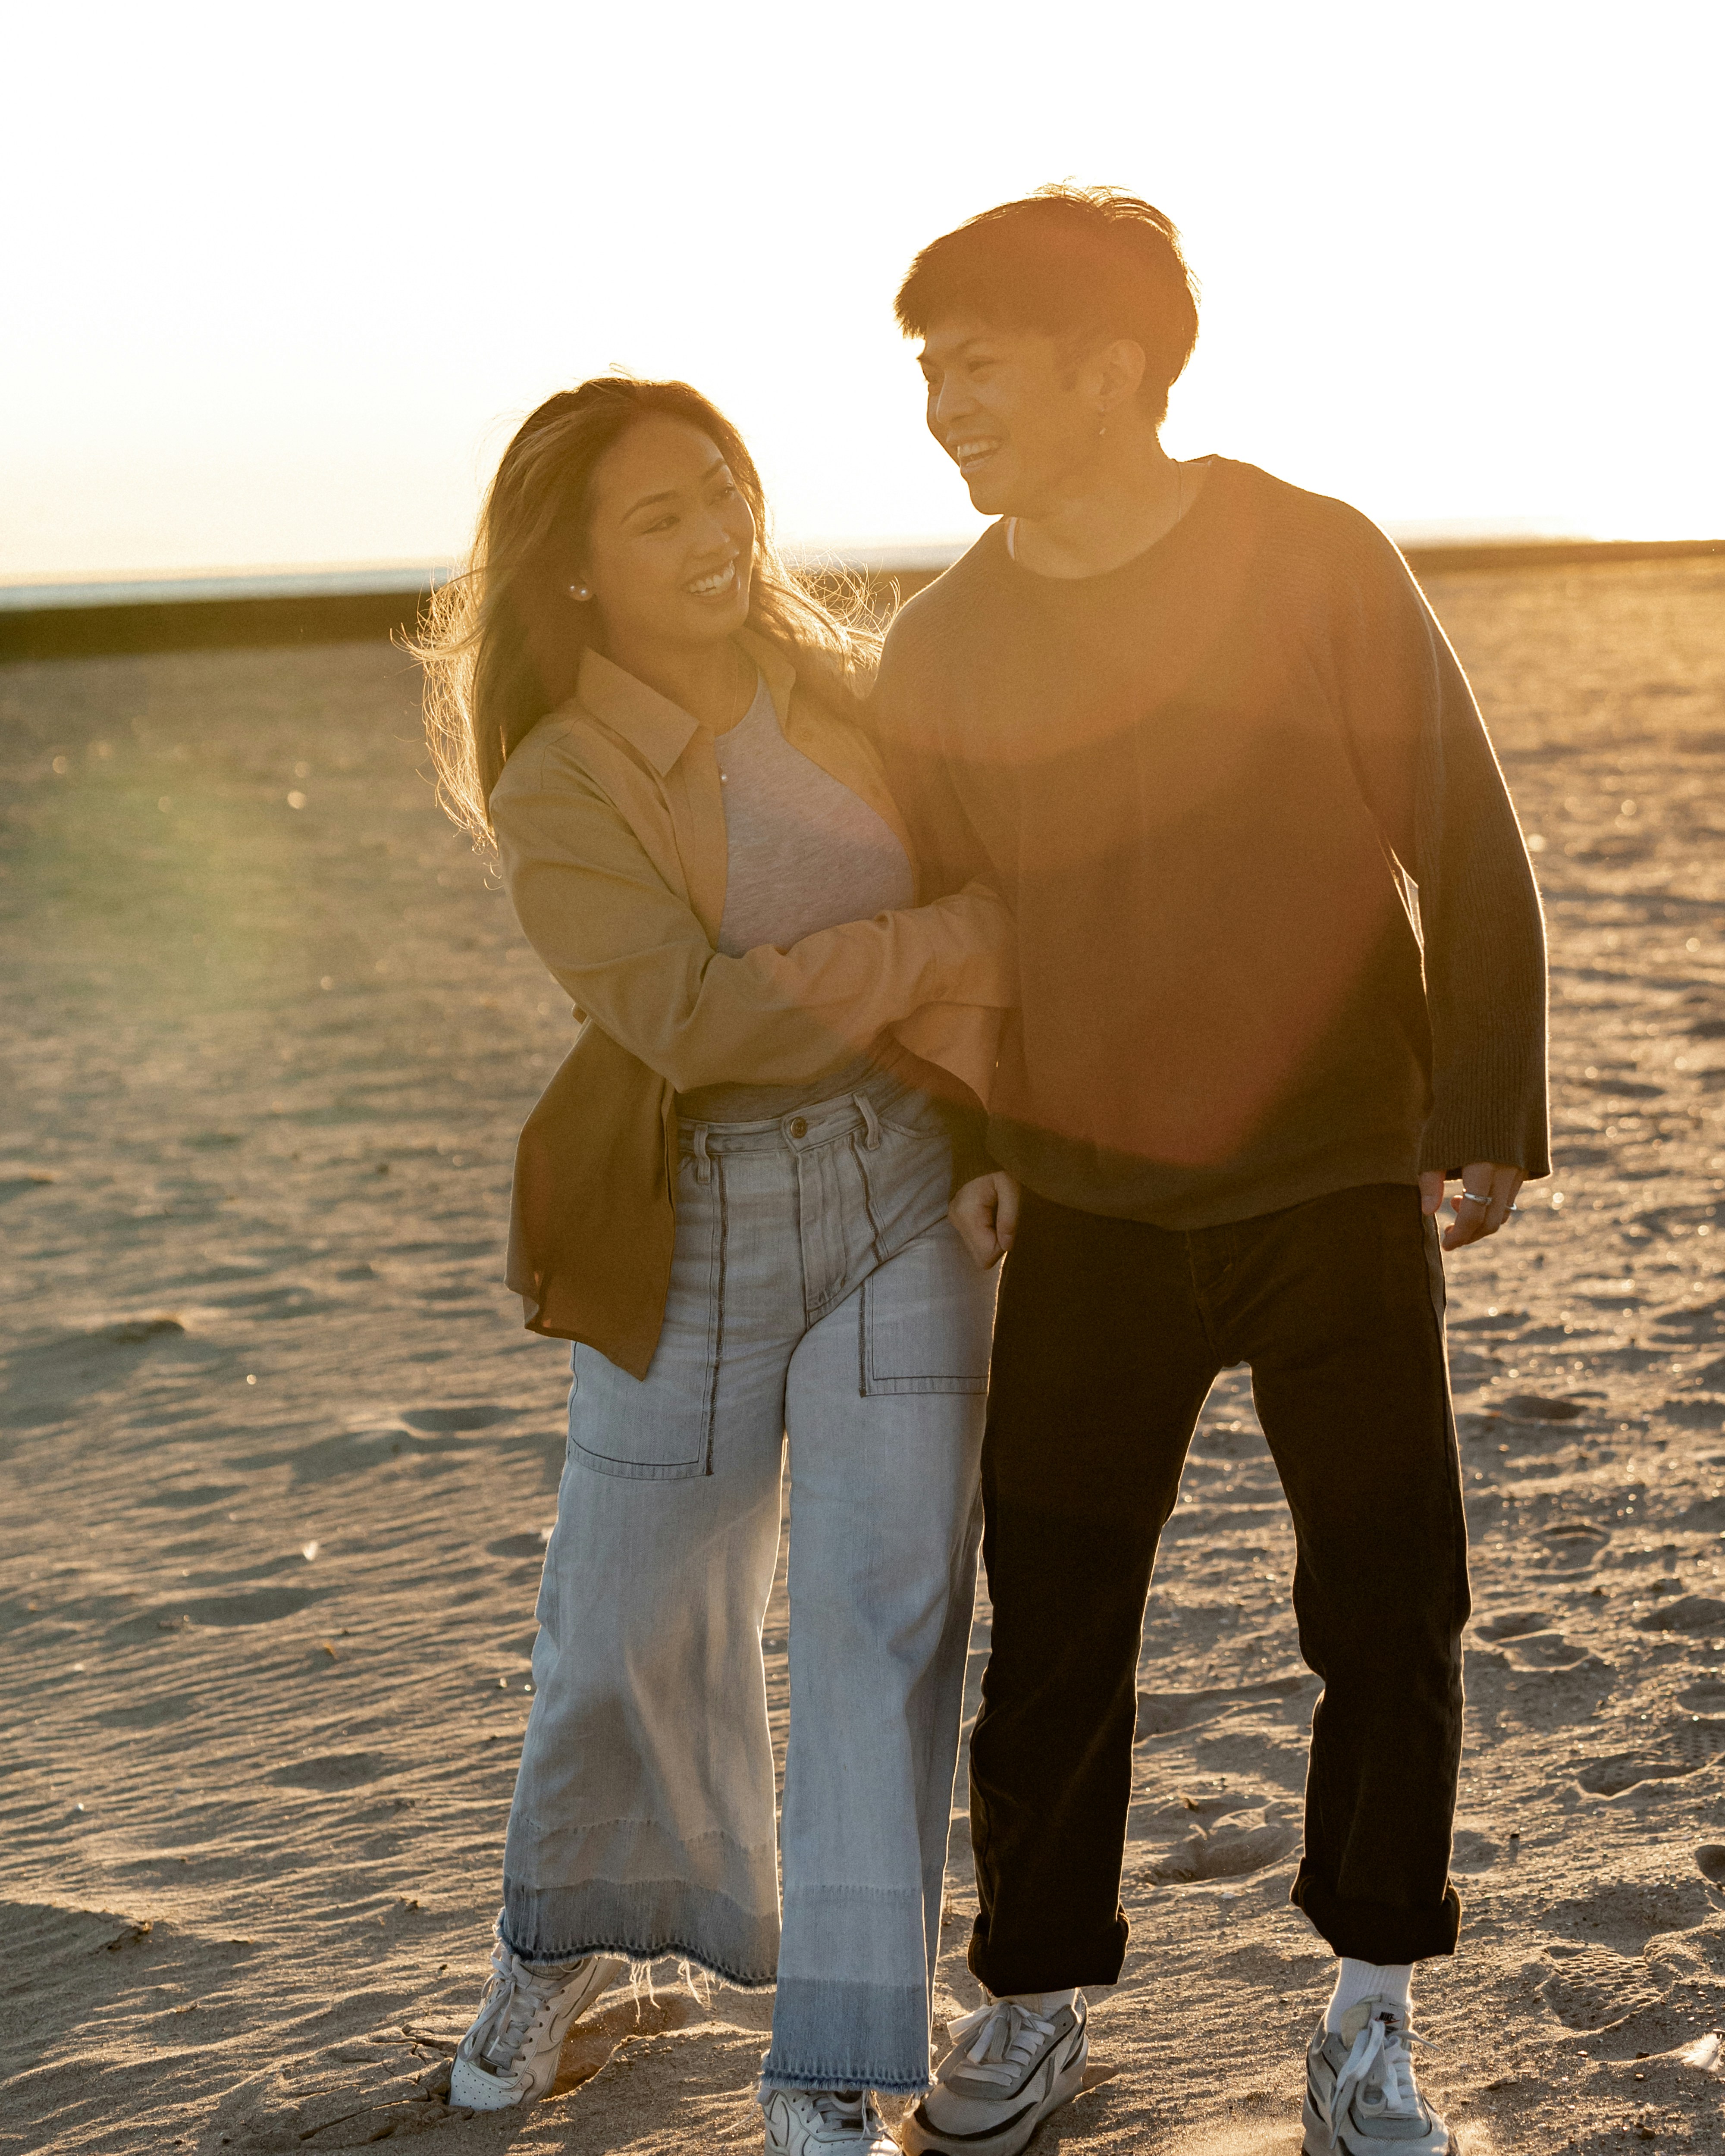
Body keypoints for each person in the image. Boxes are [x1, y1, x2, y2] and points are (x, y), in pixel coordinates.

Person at [869, 187, 1550, 2156]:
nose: (942, 406)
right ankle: (1035, 1998)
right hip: (1086, 1200)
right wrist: (981, 1144)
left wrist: (1481, 1099)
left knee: (1387, 1597)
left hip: (1336, 1171)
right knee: (1059, 1612)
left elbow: (1460, 814)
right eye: (924, 371)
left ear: (1118, 367)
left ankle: (1367, 2012)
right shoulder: (944, 645)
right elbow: (951, 928)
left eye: (974, 364)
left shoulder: (1310, 558)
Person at [415, 375, 1022, 2156]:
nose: (712, 536)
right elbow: (691, 1017)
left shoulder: (856, 693)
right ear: (578, 569)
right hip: (695, 1217)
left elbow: (1000, 930)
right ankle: (558, 1942)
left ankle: (833, 2061)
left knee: (886, 1612)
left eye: (722, 494)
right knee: (622, 1619)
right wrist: (920, 947)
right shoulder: (561, 776)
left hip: (909, 1187)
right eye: (659, 517)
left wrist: (979, 1124)